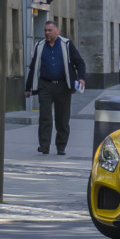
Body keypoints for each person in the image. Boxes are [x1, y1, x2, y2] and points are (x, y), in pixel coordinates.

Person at [24, 20, 86, 155]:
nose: (46, 33)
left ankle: (61, 146)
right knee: (45, 116)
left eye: (49, 30)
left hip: (63, 86)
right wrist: (28, 88)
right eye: (45, 30)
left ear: (57, 31)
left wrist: (81, 78)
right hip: (45, 86)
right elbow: (34, 67)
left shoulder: (66, 44)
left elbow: (80, 62)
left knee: (62, 118)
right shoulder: (39, 46)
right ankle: (44, 145)